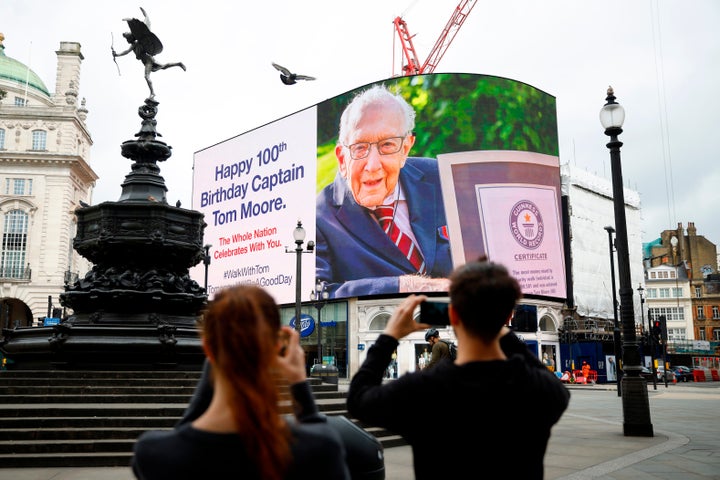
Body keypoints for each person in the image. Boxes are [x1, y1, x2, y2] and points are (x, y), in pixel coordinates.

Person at [347, 258, 570, 479]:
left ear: (453, 316)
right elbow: (555, 386)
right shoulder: (539, 388)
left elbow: (358, 399)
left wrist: (390, 336)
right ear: (507, 316)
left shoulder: (423, 390)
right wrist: (499, 327)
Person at [131, 284, 350, 480]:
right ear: (277, 347)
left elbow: (182, 434)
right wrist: (300, 384)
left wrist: (218, 353)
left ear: (207, 348)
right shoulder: (318, 448)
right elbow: (321, 437)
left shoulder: (153, 454)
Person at [316, 84, 452, 298]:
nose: (372, 165)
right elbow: (317, 295)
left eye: (387, 145)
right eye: (359, 147)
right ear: (342, 158)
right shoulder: (318, 217)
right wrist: (407, 286)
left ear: (405, 149)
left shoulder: (442, 177)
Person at [112, 7, 186, 99]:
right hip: (149, 60)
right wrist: (117, 55)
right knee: (163, 67)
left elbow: (126, 51)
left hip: (148, 61)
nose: (128, 39)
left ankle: (152, 93)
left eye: (127, 37)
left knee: (147, 77)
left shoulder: (137, 43)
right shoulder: (135, 44)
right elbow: (126, 52)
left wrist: (145, 14)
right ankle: (178, 63)